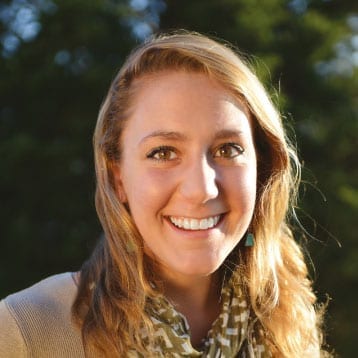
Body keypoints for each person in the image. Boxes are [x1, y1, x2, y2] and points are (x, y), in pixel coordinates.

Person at [0, 31, 328, 357]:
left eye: (228, 149)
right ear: (118, 179)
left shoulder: (289, 321)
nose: (201, 189)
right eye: (163, 153)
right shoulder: (25, 332)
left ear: (263, 167)